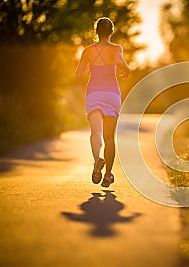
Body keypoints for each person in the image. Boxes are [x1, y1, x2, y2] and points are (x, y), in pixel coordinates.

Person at [76, 17, 130, 187]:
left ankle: (97, 161)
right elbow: (121, 63)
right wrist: (127, 69)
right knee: (109, 137)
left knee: (95, 133)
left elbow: (79, 74)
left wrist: (90, 64)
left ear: (96, 32)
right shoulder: (116, 49)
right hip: (111, 94)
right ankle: (107, 176)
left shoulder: (87, 51)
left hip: (93, 93)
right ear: (111, 32)